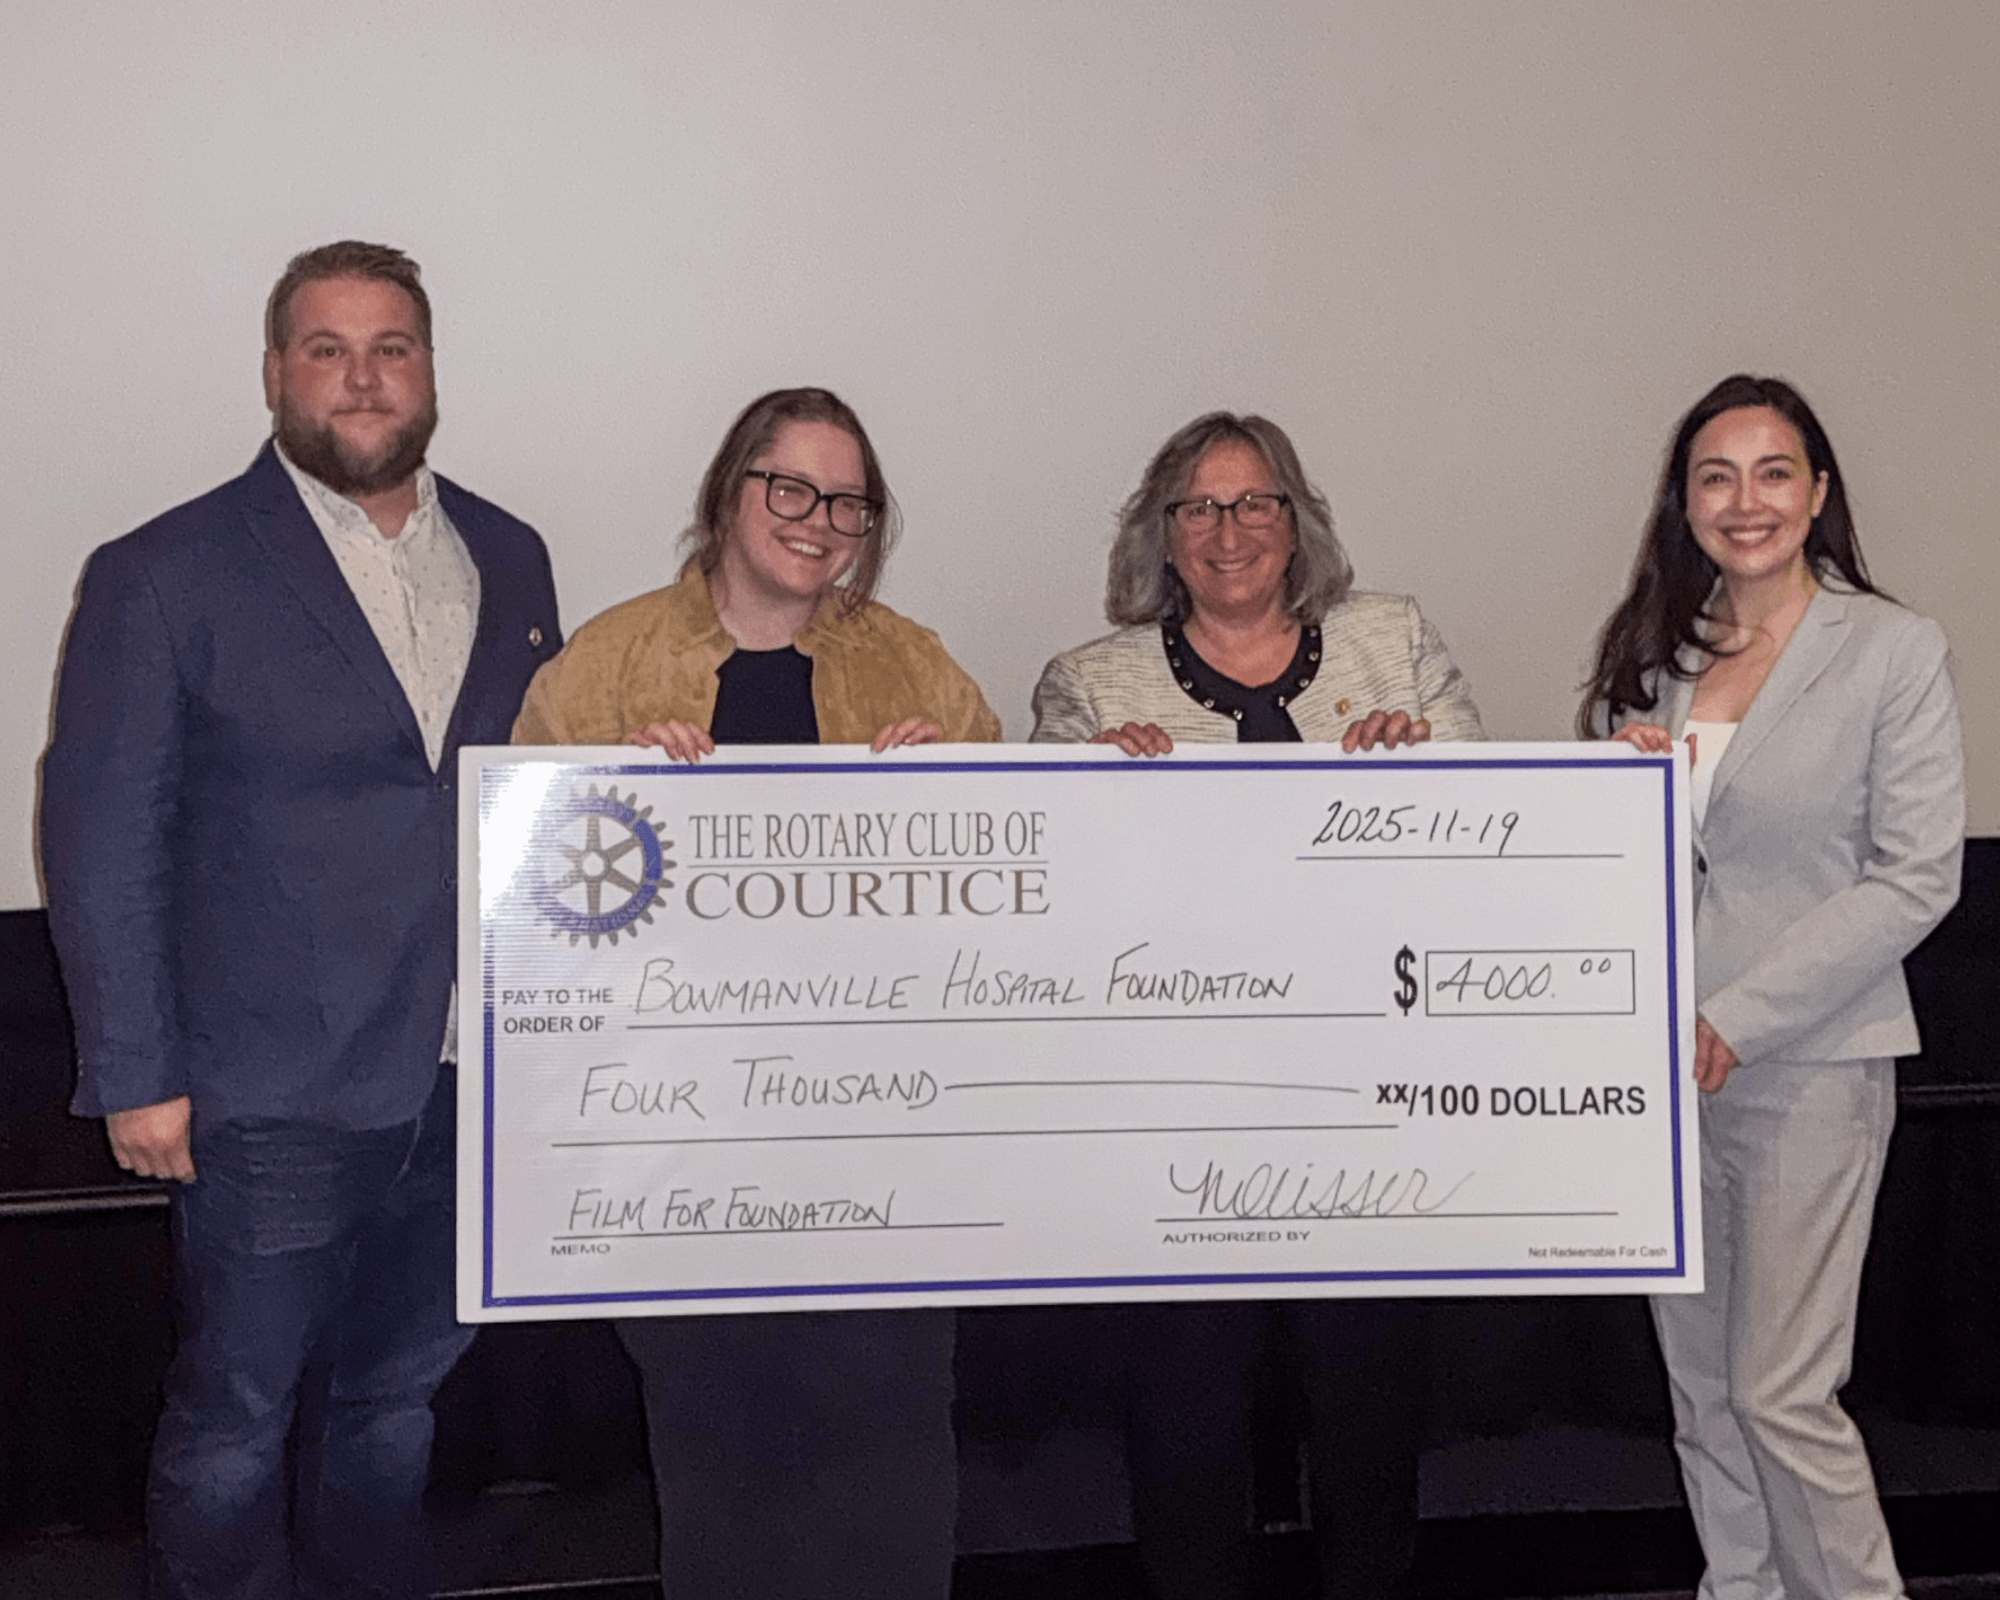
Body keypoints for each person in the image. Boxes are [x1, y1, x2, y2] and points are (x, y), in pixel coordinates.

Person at [39, 241, 562, 1598]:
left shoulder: (510, 557)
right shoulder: (166, 571)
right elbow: (102, 831)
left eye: (390, 346)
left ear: (429, 369)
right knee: (232, 1428)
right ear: (277, 375)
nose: (362, 377)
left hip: (466, 1085)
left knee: (391, 1416)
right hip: (266, 1095)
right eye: (326, 349)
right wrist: (137, 1075)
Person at [513, 385, 999, 1598]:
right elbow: (516, 899)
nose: (817, 519)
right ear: (730, 495)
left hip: (883, 1144)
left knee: (888, 1464)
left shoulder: (913, 665)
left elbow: (1015, 899)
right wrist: (601, 803)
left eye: (846, 499)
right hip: (679, 1150)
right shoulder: (609, 663)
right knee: (723, 1464)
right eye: (789, 486)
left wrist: (965, 802)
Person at [1030, 410, 1483, 1600]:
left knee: (1367, 1433)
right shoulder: (1089, 686)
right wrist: (1089, 800)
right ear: (1160, 535)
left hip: (1365, 1117)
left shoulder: (1395, 646)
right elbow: (1049, 919)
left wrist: (1424, 769)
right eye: (1197, 507)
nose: (1228, 530)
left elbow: (1488, 850)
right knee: (1184, 1439)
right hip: (1181, 1131)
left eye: (1255, 503)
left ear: (1297, 524)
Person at [1580, 375, 1962, 1600]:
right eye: (1714, 475)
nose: (1743, 500)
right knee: (1699, 1392)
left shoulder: (1890, 650)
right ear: (1681, 501)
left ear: (1817, 491)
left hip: (1804, 1061)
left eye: (1771, 471)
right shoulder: (1651, 658)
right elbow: (1617, 875)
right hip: (1657, 1077)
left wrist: (1733, 1019)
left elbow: (1914, 878)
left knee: (1779, 1391)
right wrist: (1611, 787)